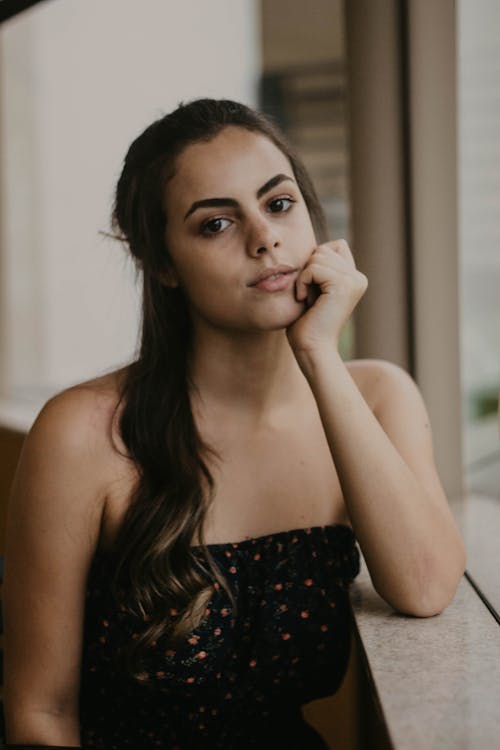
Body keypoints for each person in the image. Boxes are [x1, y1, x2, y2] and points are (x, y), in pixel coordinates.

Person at [3, 98, 466, 749]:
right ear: (160, 262)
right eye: (216, 223)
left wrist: (317, 355)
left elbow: (423, 586)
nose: (264, 238)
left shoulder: (376, 395)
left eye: (279, 205)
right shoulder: (83, 432)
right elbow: (40, 712)